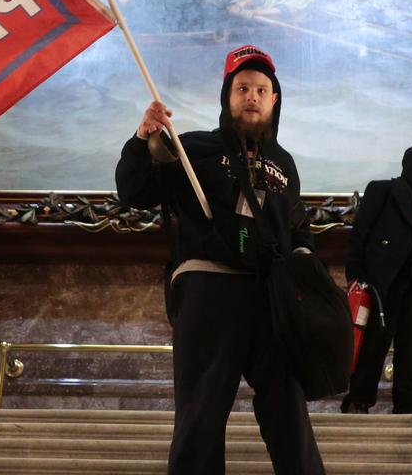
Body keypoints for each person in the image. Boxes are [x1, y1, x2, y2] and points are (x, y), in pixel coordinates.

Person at [116, 45, 326, 475]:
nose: (251, 95)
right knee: (201, 416)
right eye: (242, 87)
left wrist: (307, 273)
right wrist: (142, 140)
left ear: (274, 100)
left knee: (291, 416)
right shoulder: (192, 149)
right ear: (227, 97)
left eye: (261, 89)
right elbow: (134, 192)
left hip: (271, 298)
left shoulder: (284, 164)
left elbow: (297, 230)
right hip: (209, 293)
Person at [342, 140, 412, 414]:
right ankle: (358, 401)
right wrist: (356, 276)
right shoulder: (383, 190)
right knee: (374, 345)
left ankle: (407, 409)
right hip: (384, 284)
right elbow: (360, 236)